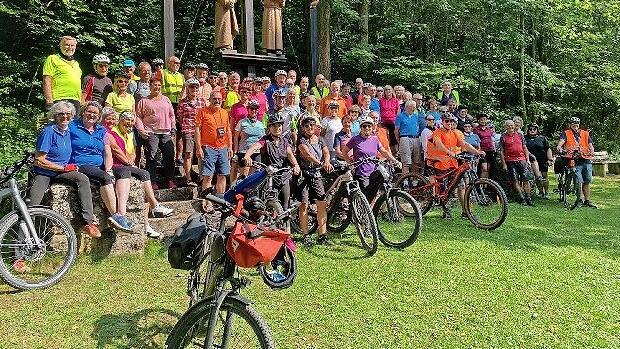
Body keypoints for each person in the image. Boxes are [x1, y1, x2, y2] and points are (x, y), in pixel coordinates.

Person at [28, 102, 100, 245]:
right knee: (32, 206)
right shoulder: (49, 132)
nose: (65, 116)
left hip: (61, 171)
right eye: (61, 114)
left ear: (72, 116)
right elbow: (39, 160)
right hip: (44, 173)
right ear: (55, 115)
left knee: (82, 179)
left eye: (68, 114)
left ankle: (89, 222)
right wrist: (63, 168)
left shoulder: (68, 131)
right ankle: (19, 253)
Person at [107, 111, 174, 238]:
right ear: (120, 120)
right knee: (143, 174)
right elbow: (116, 150)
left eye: (132, 121)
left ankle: (148, 222)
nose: (130, 123)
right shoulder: (112, 133)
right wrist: (128, 162)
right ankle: (155, 207)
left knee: (144, 182)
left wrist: (130, 161)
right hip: (117, 166)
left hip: (127, 165)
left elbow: (132, 153)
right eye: (127, 120)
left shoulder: (130, 134)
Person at [69, 101, 133, 230]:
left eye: (95, 113)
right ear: (83, 112)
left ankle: (121, 214)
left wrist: (109, 169)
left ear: (99, 117)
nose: (91, 115)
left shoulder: (101, 130)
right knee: (104, 178)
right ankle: (115, 215)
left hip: (100, 164)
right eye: (89, 111)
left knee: (124, 172)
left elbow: (107, 153)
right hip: (81, 164)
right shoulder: (72, 126)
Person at [426, 114, 485, 219]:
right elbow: (439, 144)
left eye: (451, 121)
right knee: (444, 189)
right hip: (438, 163)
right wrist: (449, 152)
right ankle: (446, 210)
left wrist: (477, 152)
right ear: (442, 122)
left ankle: (465, 212)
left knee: (461, 186)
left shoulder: (454, 133)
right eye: (447, 121)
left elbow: (464, 144)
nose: (449, 123)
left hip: (452, 163)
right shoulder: (437, 132)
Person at [243, 113, 301, 209]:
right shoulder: (265, 140)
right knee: (259, 199)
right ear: (269, 127)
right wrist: (247, 157)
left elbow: (290, 155)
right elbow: (254, 148)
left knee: (286, 203)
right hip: (268, 175)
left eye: (279, 126)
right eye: (274, 126)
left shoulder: (284, 141)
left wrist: (296, 165)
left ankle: (285, 222)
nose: (277, 128)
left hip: (282, 175)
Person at [340, 116, 400, 202]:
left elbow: (384, 152)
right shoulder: (355, 139)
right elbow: (344, 151)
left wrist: (395, 160)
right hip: (362, 173)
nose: (367, 128)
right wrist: (350, 162)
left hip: (373, 172)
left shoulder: (375, 139)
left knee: (376, 193)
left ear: (372, 127)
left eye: (369, 126)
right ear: (361, 128)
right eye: (364, 126)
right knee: (364, 199)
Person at [296, 115, 333, 245]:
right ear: (303, 128)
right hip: (303, 174)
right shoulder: (301, 140)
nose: (310, 127)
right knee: (304, 204)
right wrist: (320, 163)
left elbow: (326, 152)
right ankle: (305, 235)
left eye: (312, 125)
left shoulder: (320, 139)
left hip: (316, 174)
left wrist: (327, 161)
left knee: (322, 203)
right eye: (307, 126)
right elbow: (306, 154)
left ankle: (322, 235)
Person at [135, 79, 177, 189]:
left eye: (159, 85)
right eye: (154, 85)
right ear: (150, 86)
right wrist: (141, 130)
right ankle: (152, 182)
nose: (157, 87)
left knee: (169, 156)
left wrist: (173, 127)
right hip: (151, 132)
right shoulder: (144, 101)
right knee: (152, 157)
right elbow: (138, 116)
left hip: (166, 132)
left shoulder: (166, 99)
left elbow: (172, 115)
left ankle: (170, 180)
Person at [195, 91, 232, 211]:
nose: (217, 101)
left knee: (222, 175)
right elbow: (197, 131)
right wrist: (199, 147)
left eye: (219, 99)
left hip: (223, 148)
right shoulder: (202, 111)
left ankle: (220, 201)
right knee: (208, 177)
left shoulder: (225, 112)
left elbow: (228, 131)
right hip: (208, 147)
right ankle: (208, 201)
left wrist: (230, 147)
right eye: (214, 98)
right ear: (209, 99)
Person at [556, 117, 596, 209]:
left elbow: (590, 145)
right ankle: (579, 200)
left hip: (586, 158)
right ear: (570, 124)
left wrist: (592, 151)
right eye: (573, 123)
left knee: (587, 180)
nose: (575, 125)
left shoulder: (585, 133)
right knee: (578, 180)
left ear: (579, 124)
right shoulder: (565, 133)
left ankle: (587, 200)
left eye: (577, 123)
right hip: (573, 159)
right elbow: (560, 144)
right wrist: (560, 148)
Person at [177, 78, 207, 186]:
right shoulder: (183, 102)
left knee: (200, 154)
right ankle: (188, 178)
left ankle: (201, 177)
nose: (194, 89)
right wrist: (185, 127)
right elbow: (180, 117)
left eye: (196, 87)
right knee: (188, 154)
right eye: (191, 87)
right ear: (187, 88)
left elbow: (205, 116)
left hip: (200, 130)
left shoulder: (202, 101)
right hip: (188, 129)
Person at [499, 119, 535, 206]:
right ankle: (521, 198)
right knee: (514, 180)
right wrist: (504, 164)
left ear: (514, 126)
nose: (510, 127)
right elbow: (501, 151)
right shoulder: (503, 136)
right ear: (505, 127)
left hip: (521, 159)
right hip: (510, 160)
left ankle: (528, 198)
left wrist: (528, 160)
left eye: (512, 125)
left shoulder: (520, 134)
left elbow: (525, 147)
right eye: (508, 125)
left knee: (526, 179)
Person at [42, 36, 81, 113]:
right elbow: (46, 80)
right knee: (58, 124)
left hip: (76, 100)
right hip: (59, 99)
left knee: (74, 125)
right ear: (60, 46)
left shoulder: (76, 63)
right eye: (67, 45)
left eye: (72, 45)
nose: (70, 47)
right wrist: (49, 101)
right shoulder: (52, 58)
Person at [235, 101, 266, 178]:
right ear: (248, 109)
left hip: (257, 152)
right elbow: (236, 138)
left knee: (255, 176)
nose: (253, 111)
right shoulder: (242, 122)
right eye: (251, 108)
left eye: (256, 109)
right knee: (244, 175)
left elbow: (262, 139)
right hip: (244, 151)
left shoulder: (260, 124)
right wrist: (235, 152)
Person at [395, 100, 425, 176]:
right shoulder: (400, 116)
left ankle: (415, 179)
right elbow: (396, 130)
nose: (414, 109)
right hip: (405, 137)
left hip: (416, 138)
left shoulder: (415, 116)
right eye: (413, 107)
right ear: (407, 107)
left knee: (417, 161)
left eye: (414, 107)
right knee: (406, 161)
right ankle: (405, 181)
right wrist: (400, 141)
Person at [525, 123, 553, 199]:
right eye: (530, 129)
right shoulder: (524, 138)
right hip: (531, 160)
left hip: (542, 160)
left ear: (537, 130)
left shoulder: (542, 138)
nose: (532, 130)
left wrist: (550, 159)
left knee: (544, 176)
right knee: (537, 176)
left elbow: (548, 149)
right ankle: (541, 192)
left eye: (534, 129)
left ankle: (546, 192)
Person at [473, 113, 496, 179]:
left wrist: (494, 147)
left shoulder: (488, 129)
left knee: (488, 169)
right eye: (481, 120)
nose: (483, 121)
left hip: (490, 149)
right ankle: (481, 185)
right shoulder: (476, 129)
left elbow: (491, 138)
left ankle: (486, 185)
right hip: (482, 150)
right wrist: (478, 150)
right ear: (478, 120)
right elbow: (476, 141)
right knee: (484, 168)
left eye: (485, 119)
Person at [379, 85, 400, 151]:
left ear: (392, 91)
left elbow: (398, 112)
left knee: (393, 138)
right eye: (386, 90)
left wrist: (397, 122)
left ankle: (394, 154)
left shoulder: (395, 100)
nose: (388, 91)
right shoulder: (381, 100)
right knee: (384, 138)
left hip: (393, 122)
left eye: (389, 89)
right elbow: (379, 110)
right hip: (384, 122)